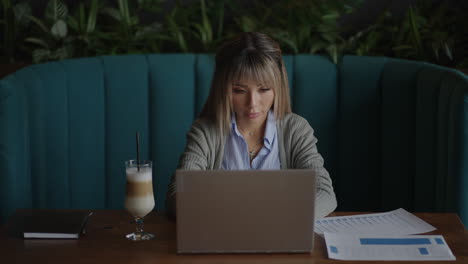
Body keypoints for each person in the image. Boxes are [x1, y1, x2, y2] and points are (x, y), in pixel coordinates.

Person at [166, 32, 337, 219]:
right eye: (239, 90)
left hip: (279, 236)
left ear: (278, 87)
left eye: (264, 89)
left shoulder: (296, 130)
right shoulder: (205, 132)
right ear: (223, 89)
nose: (253, 103)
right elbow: (177, 196)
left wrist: (279, 218)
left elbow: (325, 194)